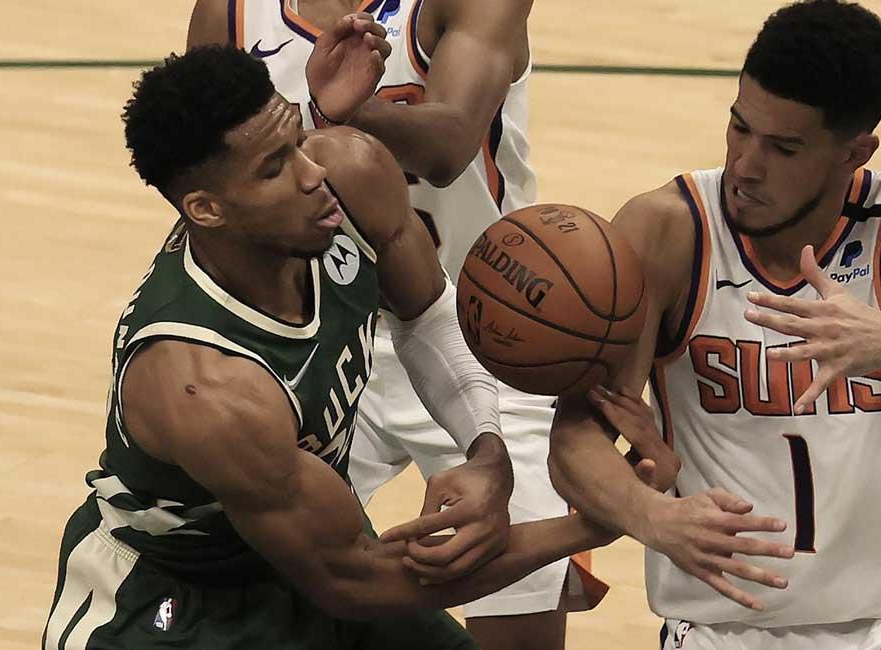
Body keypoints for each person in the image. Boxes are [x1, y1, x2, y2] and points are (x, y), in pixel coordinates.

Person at [41, 32, 633, 649]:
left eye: (296, 141)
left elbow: (428, 315)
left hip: (300, 552)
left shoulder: (349, 173)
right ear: (207, 209)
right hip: (174, 608)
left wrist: (486, 452)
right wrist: (591, 525)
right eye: (275, 168)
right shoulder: (205, 387)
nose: (313, 173)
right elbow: (360, 582)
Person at [548, 1, 881, 648]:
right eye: (739, 127)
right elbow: (575, 438)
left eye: (783, 148)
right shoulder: (668, 232)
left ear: (854, 152)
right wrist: (655, 517)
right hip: (723, 630)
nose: (746, 164)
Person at [186, 2, 599, 648]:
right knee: (253, 582)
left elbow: (449, 145)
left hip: (480, 324)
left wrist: (354, 110)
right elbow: (198, 174)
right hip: (317, 332)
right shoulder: (229, 13)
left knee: (517, 623)